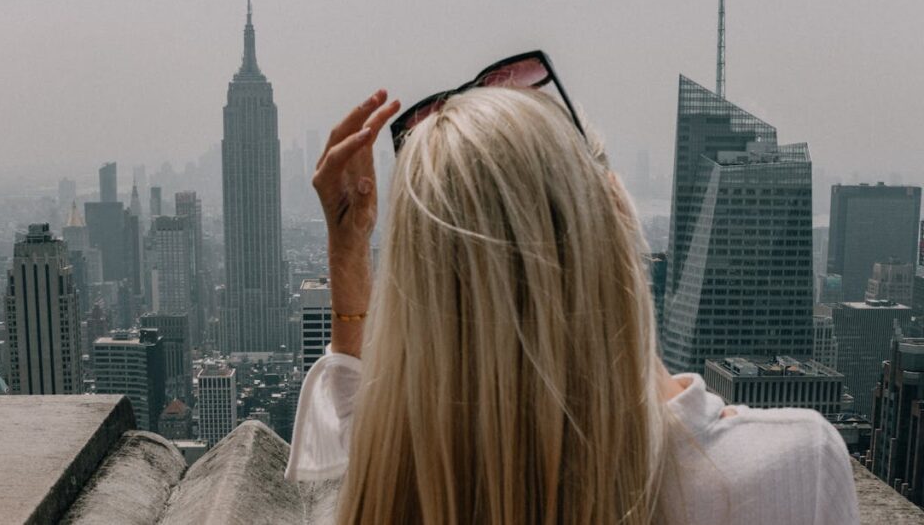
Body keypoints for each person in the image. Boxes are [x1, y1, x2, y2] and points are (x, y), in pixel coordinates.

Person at [285, 53, 858, 524]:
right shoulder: (793, 469)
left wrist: (348, 249)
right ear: (617, 211)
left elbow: (356, 434)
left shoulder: (409, 499)